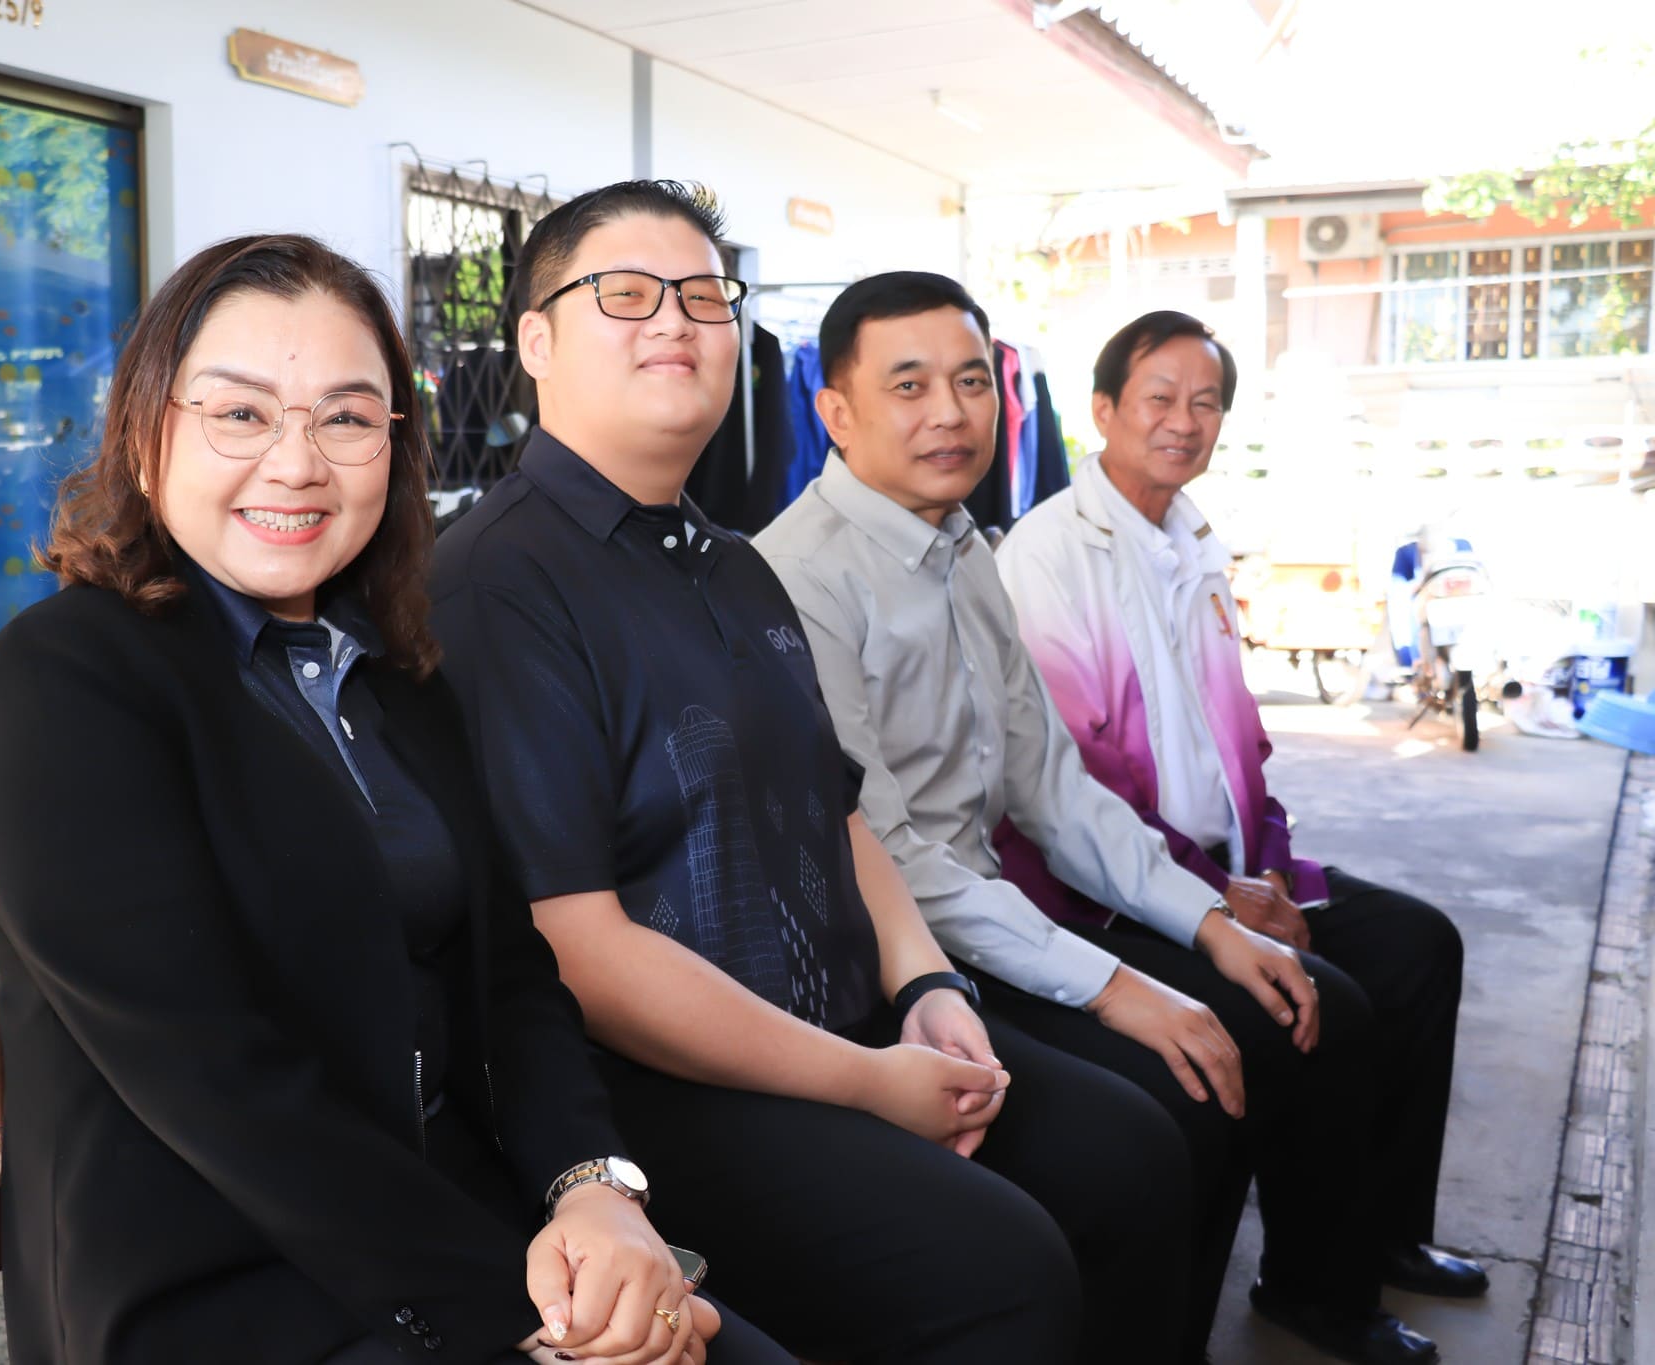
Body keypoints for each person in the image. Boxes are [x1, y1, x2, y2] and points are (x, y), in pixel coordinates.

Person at [0, 233, 788, 1365]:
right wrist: (527, 1318)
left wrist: (593, 1192)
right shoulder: (63, 682)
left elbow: (510, 981)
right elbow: (214, 1082)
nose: (297, 463)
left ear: (392, 449)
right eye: (240, 414)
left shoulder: (397, 677)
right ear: (148, 437)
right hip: (214, 1279)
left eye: (347, 419)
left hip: (447, 1211)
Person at [431, 180, 1193, 1365]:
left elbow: (838, 814)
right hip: (662, 1084)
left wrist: (928, 986)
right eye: (625, 294)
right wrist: (865, 1083)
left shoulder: (733, 561)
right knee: (999, 1268)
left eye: (702, 296)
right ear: (534, 342)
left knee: (1132, 1154)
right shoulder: (495, 580)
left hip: (851, 1020)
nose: (674, 321)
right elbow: (575, 948)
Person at [752, 272, 1448, 1365]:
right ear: (834, 411)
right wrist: (1120, 984)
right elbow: (886, 859)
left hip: (988, 917)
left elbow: (1054, 784)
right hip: (889, 961)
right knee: (1164, 1111)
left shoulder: (962, 549)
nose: (950, 413)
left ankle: (1279, 1302)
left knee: (1270, 1016)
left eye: (971, 382)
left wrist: (1207, 921)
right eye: (909, 386)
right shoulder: (796, 580)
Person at [996, 309, 1480, 1364]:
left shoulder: (1196, 541)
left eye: (1205, 402)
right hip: (1116, 886)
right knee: (1322, 1005)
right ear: (1102, 411)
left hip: (1232, 863)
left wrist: (1266, 868)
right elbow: (1076, 779)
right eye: (1158, 399)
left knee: (1417, 945)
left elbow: (1237, 738)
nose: (1183, 421)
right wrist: (1221, 897)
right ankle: (1314, 1289)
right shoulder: (1048, 556)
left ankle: (1383, 1234)